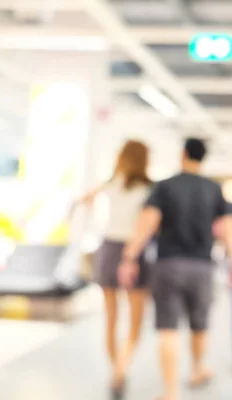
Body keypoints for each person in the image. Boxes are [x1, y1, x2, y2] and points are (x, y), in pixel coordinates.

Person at [118, 138, 232, 400]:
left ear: (183, 154)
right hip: (202, 267)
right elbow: (231, 231)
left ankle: (170, 392)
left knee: (168, 329)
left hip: (168, 265)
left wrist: (129, 257)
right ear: (202, 158)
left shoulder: (165, 187)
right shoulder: (214, 189)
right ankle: (197, 370)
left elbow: (147, 223)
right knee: (200, 326)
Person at [72, 140, 152, 398]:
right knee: (136, 321)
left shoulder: (111, 183)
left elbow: (83, 200)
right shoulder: (149, 189)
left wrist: (94, 216)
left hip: (109, 247)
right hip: (134, 251)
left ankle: (116, 372)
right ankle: (120, 369)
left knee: (111, 319)